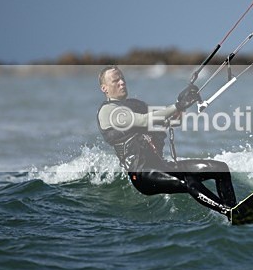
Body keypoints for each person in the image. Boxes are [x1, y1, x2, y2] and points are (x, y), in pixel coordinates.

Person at [96, 65, 238, 216]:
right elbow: (144, 120)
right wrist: (177, 106)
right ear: (104, 88)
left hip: (162, 166)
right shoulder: (107, 111)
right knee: (189, 180)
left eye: (122, 78)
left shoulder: (136, 105)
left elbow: (170, 120)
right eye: (115, 81)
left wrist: (182, 104)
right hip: (143, 175)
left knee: (220, 168)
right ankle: (229, 212)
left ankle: (234, 210)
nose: (122, 82)